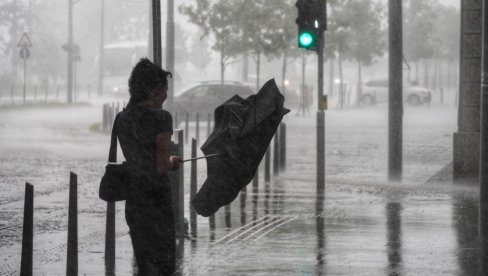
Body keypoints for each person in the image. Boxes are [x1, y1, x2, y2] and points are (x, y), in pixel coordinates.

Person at [115, 57, 182, 275]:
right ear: (154, 90)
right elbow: (161, 166)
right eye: (164, 89)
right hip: (156, 201)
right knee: (164, 264)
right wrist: (173, 161)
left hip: (135, 200)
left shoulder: (123, 118)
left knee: (143, 262)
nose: (166, 95)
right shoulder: (161, 118)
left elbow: (138, 157)